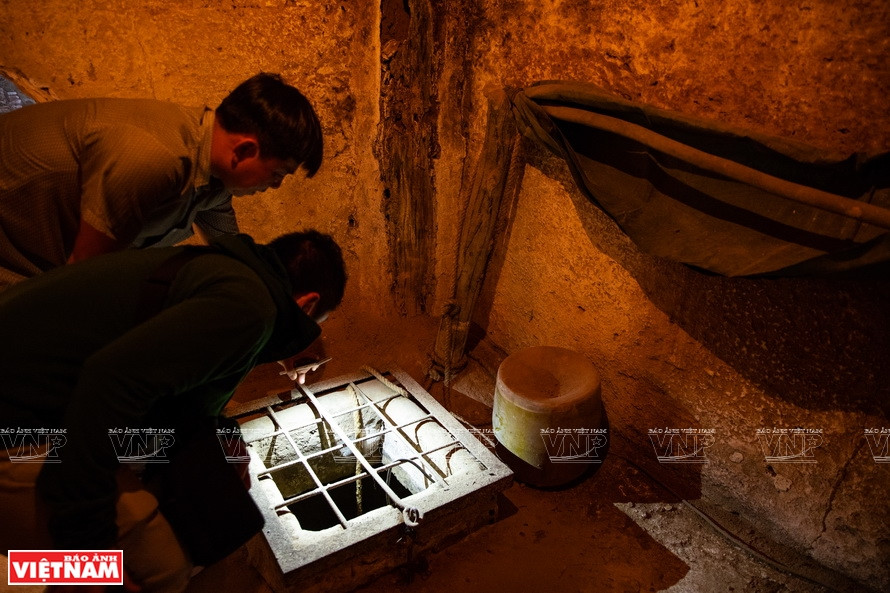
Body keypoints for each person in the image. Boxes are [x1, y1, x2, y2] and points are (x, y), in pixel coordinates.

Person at [0, 229, 346, 592]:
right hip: (20, 428)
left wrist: (226, 440)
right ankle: (25, 574)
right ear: (307, 304)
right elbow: (108, 385)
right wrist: (87, 544)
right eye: (312, 327)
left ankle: (30, 568)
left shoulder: (222, 272)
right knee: (161, 568)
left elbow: (174, 398)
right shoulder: (249, 308)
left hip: (46, 406)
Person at [0, 72, 323, 290]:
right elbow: (83, 278)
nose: (275, 186)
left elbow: (230, 246)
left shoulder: (210, 172)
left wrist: (285, 305)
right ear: (245, 150)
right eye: (278, 173)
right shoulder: (153, 160)